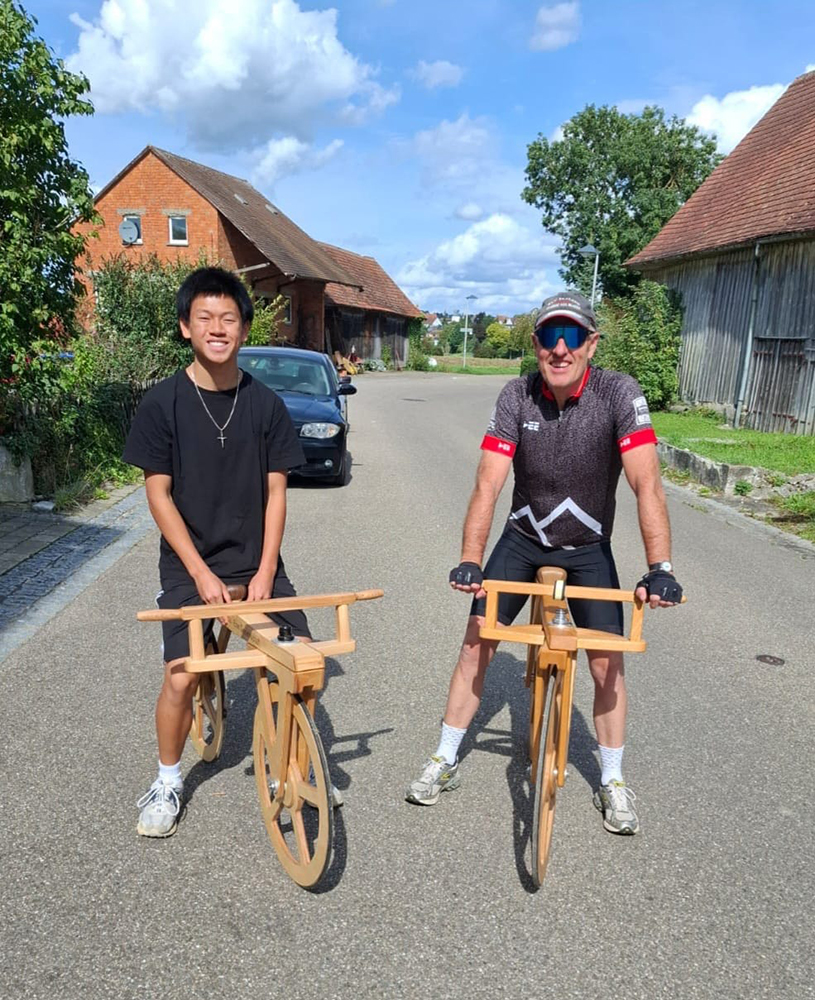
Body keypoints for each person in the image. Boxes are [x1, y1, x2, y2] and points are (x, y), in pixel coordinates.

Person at [405, 291, 683, 835]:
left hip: (587, 549)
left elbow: (646, 483)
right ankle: (443, 756)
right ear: (535, 345)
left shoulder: (618, 393)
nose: (561, 348)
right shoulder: (516, 396)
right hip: (522, 540)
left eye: (573, 336)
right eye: (550, 336)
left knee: (607, 664)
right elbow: (488, 483)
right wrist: (469, 560)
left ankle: (612, 780)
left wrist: (661, 567)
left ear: (591, 344)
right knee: (476, 643)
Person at [124, 266, 322, 838]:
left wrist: (263, 571)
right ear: (186, 327)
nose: (217, 328)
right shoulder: (163, 404)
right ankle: (167, 778)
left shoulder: (265, 405)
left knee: (306, 664)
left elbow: (277, 491)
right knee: (183, 675)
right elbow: (157, 495)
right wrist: (199, 573)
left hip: (257, 564)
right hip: (191, 567)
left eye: (228, 319)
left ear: (243, 328)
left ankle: (294, 763)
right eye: (205, 318)